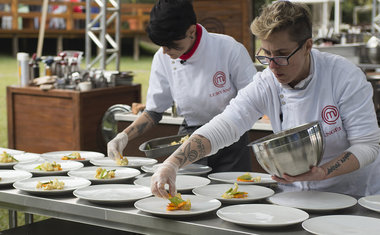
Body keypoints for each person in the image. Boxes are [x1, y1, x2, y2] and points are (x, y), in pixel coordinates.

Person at [150, 1, 380, 198]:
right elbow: (226, 124)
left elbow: (368, 145)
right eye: (265, 54)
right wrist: (172, 163)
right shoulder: (267, 81)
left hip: (352, 195)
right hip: (296, 196)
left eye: (281, 55)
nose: (271, 66)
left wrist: (324, 171)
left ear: (307, 46)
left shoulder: (344, 77)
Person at [107, 0, 257, 173]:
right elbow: (153, 112)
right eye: (161, 45)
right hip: (189, 137)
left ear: (191, 31)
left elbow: (252, 100)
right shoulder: (162, 57)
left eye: (172, 45)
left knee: (233, 194)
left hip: (232, 137)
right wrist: (124, 136)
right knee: (186, 194)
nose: (165, 52)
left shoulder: (229, 49)